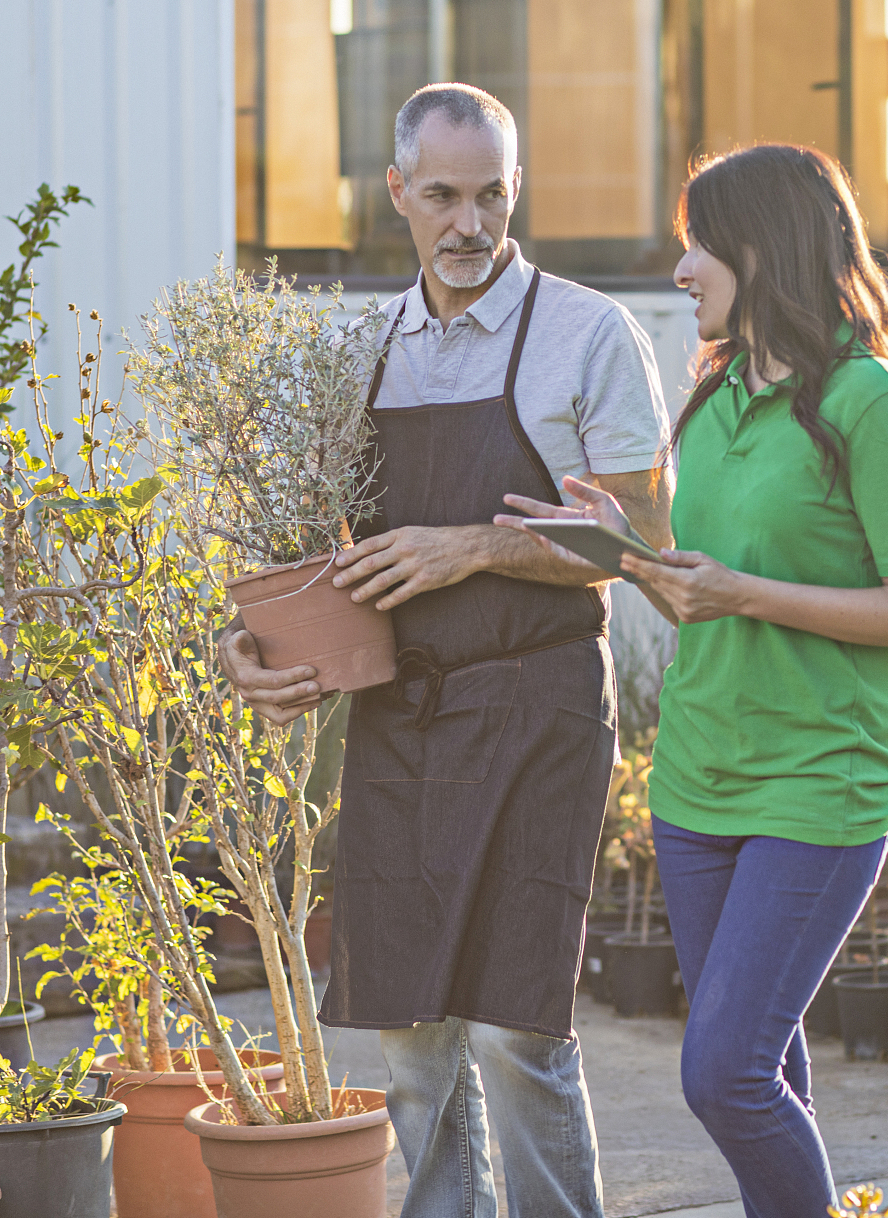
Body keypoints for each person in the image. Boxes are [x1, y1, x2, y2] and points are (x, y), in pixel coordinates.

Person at [219, 82, 671, 1218]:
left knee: (519, 1027)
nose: (469, 225)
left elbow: (641, 544)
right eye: (442, 198)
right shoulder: (355, 351)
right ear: (395, 192)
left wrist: (470, 547)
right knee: (413, 1033)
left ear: (516, 189)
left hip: (540, 707)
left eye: (491, 197)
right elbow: (295, 553)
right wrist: (248, 648)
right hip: (403, 716)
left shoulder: (587, 335)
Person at [504, 144, 888, 1216]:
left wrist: (744, 591)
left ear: (763, 247)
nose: (680, 270)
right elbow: (695, 594)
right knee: (765, 1066)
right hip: (699, 780)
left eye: (698, 244)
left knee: (724, 1074)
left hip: (821, 780)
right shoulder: (713, 399)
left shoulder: (871, 402)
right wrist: (620, 549)